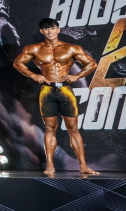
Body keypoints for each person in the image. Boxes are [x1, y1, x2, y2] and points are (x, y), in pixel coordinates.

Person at [13, 17, 99, 177]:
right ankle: (50, 165)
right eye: (46, 29)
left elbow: (92, 63)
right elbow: (18, 63)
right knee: (49, 128)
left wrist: (77, 76)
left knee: (73, 129)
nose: (50, 31)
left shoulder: (71, 48)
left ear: (58, 30)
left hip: (65, 90)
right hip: (47, 91)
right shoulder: (34, 48)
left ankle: (83, 166)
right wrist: (33, 75)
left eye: (52, 28)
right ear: (42, 31)